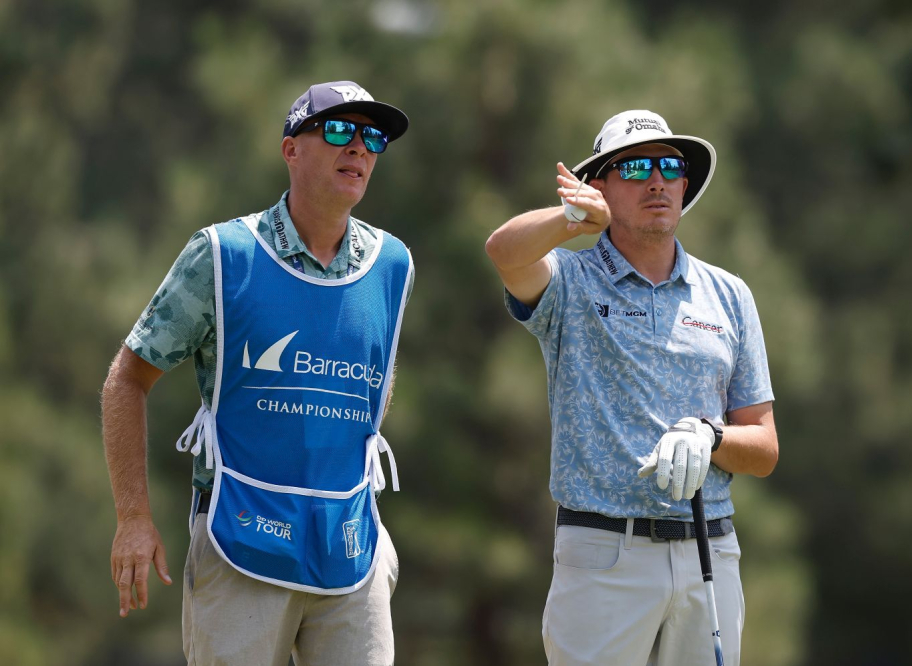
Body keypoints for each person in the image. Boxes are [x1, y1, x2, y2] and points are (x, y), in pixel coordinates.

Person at [101, 80, 414, 666]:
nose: (359, 149)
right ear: (291, 150)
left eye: (372, 138)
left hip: (350, 548)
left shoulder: (392, 263)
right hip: (241, 537)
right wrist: (133, 518)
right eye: (340, 131)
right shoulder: (224, 254)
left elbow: (374, 378)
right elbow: (127, 378)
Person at [484, 110, 778, 666]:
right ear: (600, 187)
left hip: (708, 553)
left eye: (670, 166)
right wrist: (571, 219)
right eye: (635, 166)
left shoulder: (729, 295)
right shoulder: (570, 280)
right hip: (602, 554)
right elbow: (504, 250)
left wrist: (710, 436)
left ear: (685, 184)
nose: (657, 179)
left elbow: (763, 446)